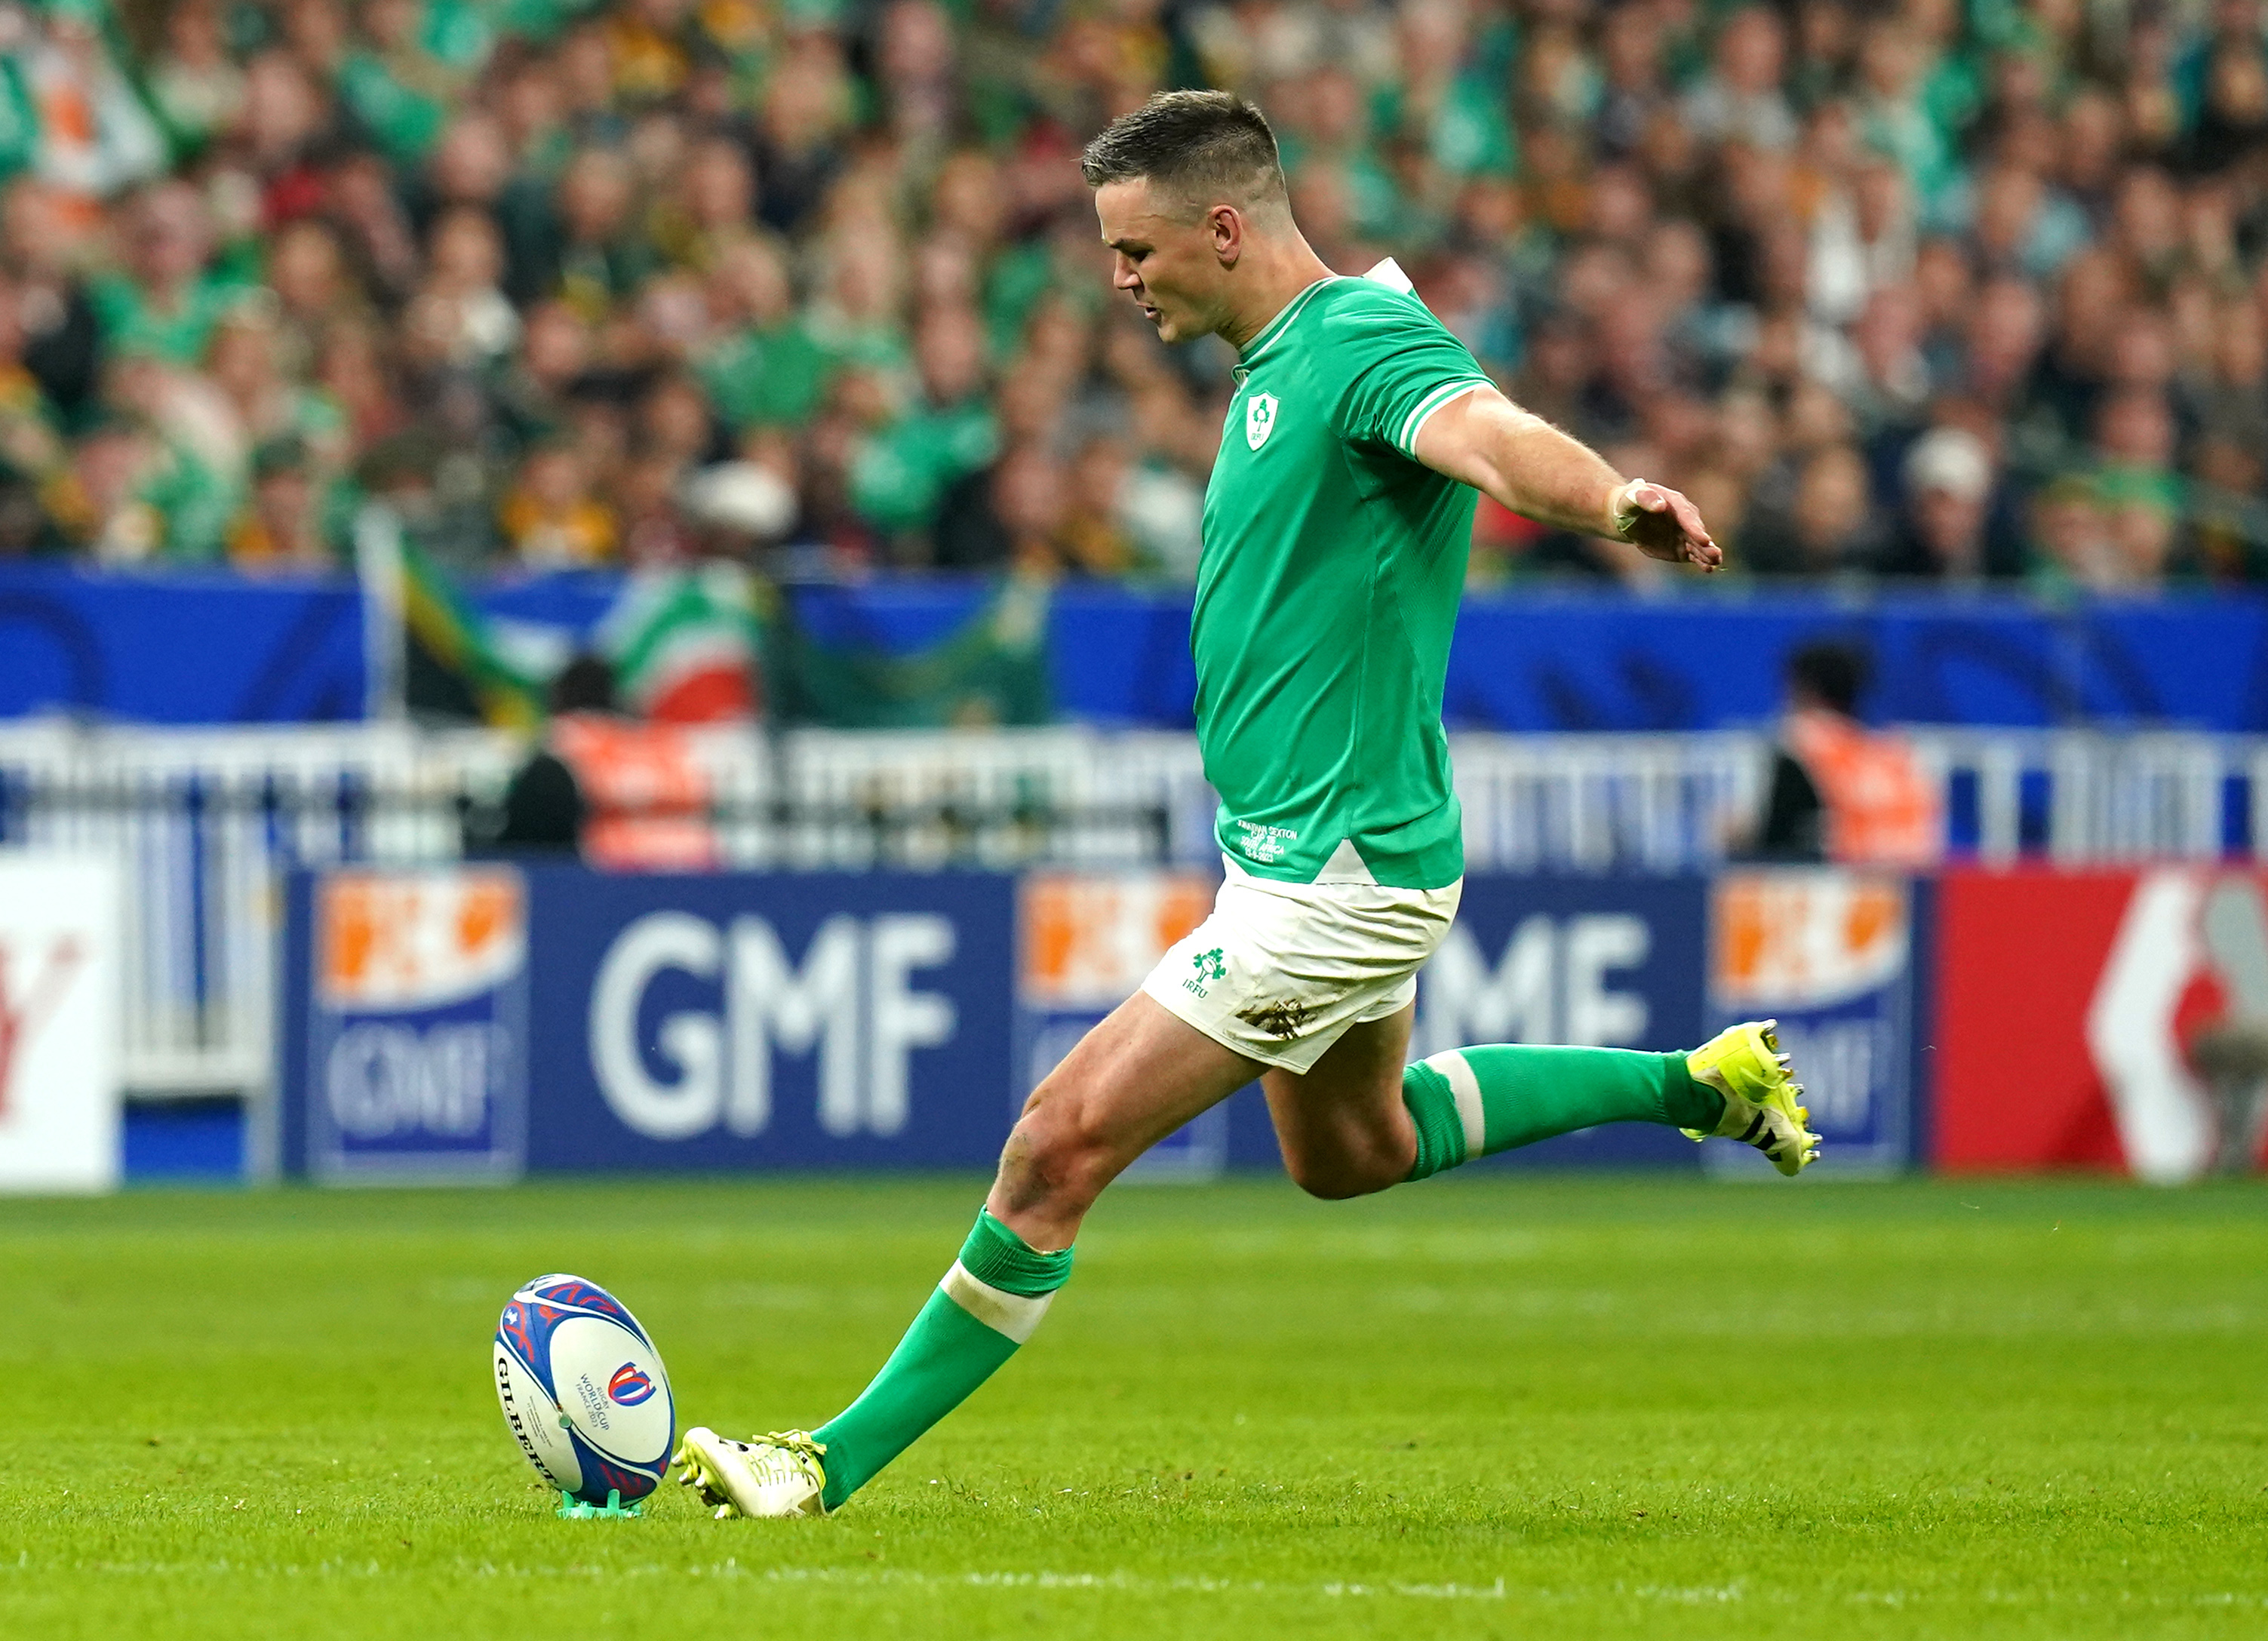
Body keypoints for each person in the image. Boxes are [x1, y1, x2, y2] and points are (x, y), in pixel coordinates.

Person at [671, 91, 1821, 1521]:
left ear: (1224, 225)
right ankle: (1698, 1083)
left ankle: (819, 1466)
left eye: (1136, 249)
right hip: (1300, 853)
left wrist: (1606, 502)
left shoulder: (1364, 344)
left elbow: (1484, 429)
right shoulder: (1283, 356)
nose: (1119, 279)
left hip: (1334, 877)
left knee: (1053, 1145)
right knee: (1354, 1152)